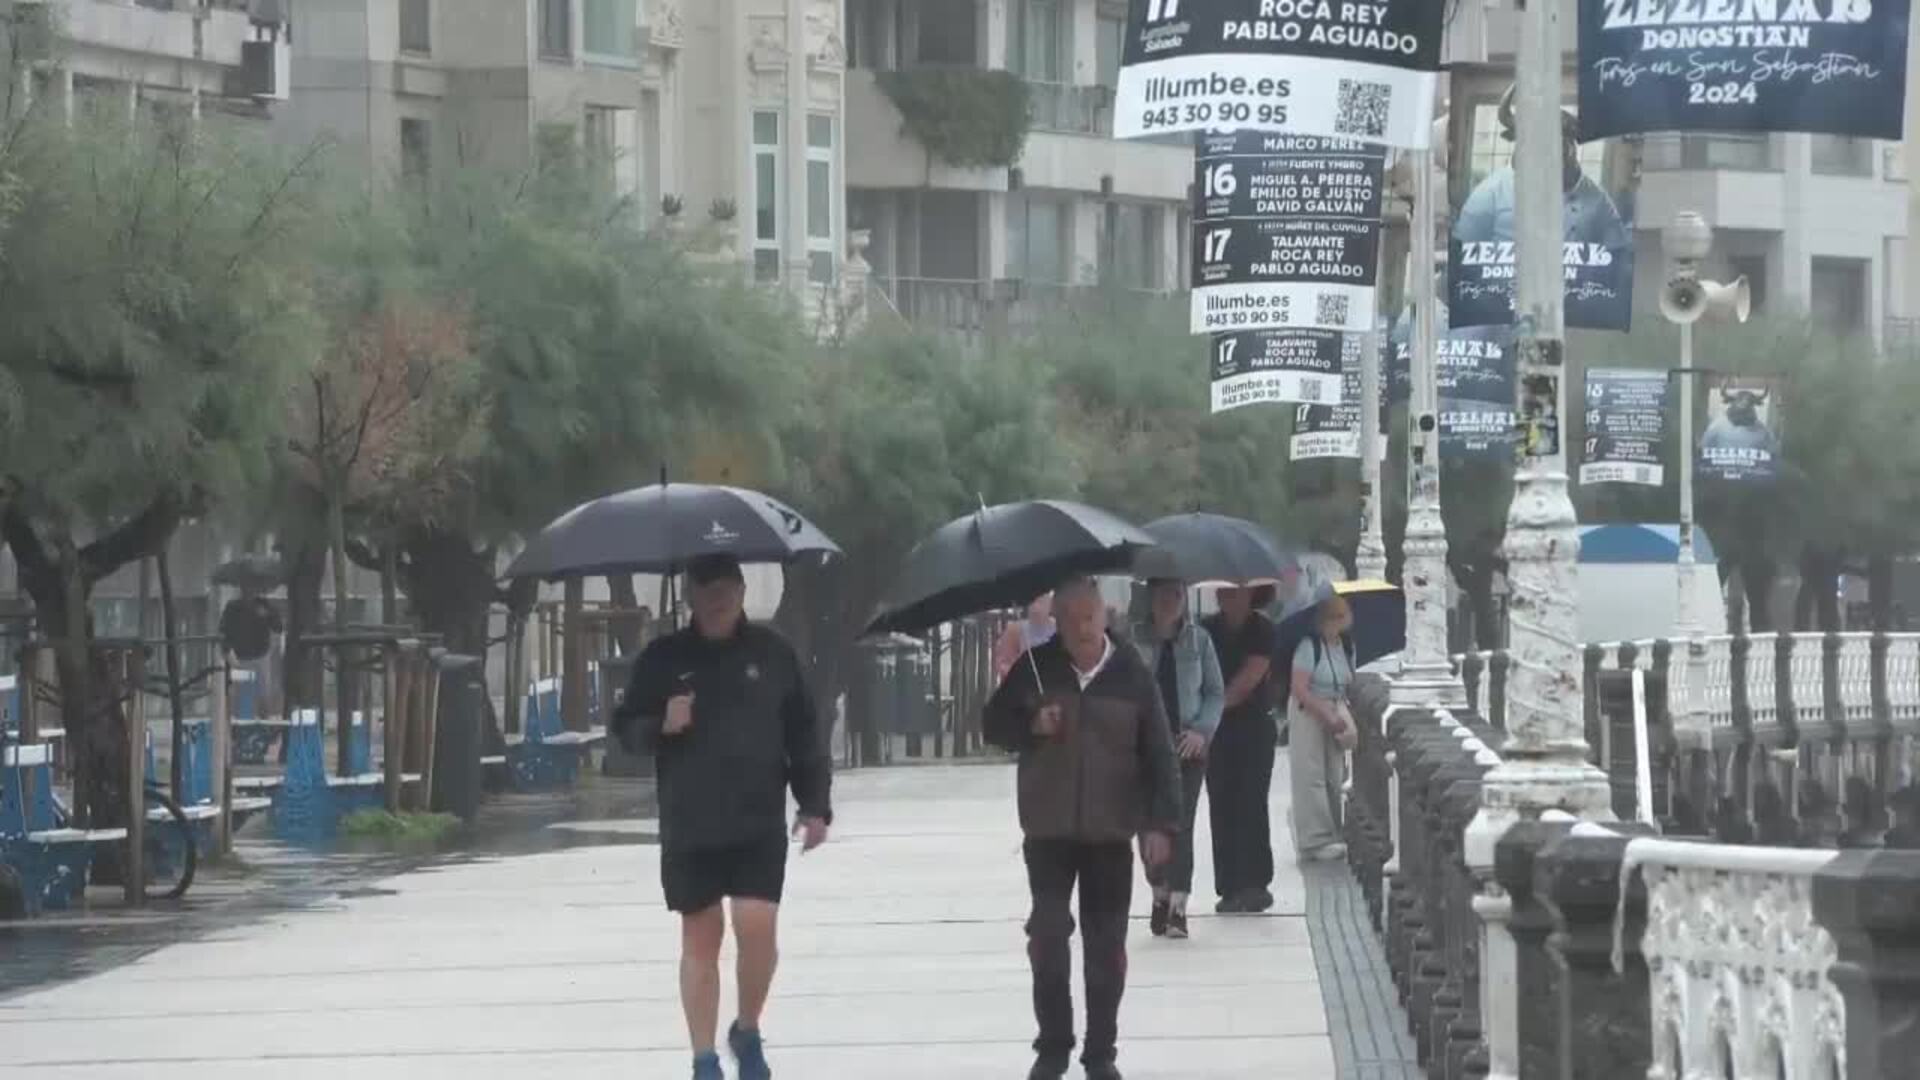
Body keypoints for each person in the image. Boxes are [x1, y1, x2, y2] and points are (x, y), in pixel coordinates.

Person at [614, 553, 833, 1080]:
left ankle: (747, 1028)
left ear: (741, 591)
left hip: (757, 819)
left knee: (757, 926)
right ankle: (704, 1059)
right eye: (707, 589)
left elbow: (804, 733)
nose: (718, 599)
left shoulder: (773, 654)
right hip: (690, 821)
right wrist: (661, 724)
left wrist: (814, 804)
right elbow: (624, 730)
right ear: (690, 594)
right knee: (701, 936)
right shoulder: (663, 659)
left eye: (727, 588)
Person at [984, 578, 1182, 1080]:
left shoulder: (1131, 673)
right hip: (1048, 830)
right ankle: (1053, 1047)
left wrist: (1160, 824)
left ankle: (1100, 1054)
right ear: (1057, 622)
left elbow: (1160, 753)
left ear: (1104, 615)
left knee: (1105, 948)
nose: (1082, 628)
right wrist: (1031, 724)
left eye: (1089, 616)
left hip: (1110, 833)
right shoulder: (1038, 667)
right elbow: (992, 726)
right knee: (1048, 936)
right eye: (1070, 620)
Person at [1128, 577, 1224, 940]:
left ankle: (1178, 907)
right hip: (1145, 747)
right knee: (1148, 824)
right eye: (1164, 594)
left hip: (1187, 746)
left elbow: (1215, 692)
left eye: (1177, 594)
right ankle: (1159, 892)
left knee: (1181, 824)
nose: (1170, 601)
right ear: (1151, 597)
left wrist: (1203, 731)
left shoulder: (1200, 641)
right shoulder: (1132, 640)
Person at [1203, 585, 1280, 914]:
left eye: (1234, 591)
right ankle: (1229, 886)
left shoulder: (1262, 630)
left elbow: (1249, 678)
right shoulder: (1205, 630)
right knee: (1221, 802)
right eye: (1222, 591)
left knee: (1251, 801)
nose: (1226, 597)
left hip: (1253, 727)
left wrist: (1211, 706)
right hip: (1216, 732)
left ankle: (1255, 883)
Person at [1288, 596, 1359, 863]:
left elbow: (1351, 680)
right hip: (1308, 709)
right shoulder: (1309, 646)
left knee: (1334, 774)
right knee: (1311, 775)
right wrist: (1325, 713)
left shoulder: (1346, 645)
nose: (1336, 623)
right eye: (1332, 618)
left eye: (1341, 617)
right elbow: (1299, 688)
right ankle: (1314, 840)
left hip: (1334, 706)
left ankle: (1333, 833)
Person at [994, 595, 1056, 685]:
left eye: (1040, 603)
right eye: (1032, 602)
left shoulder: (1060, 628)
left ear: (1050, 605)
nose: (1036, 608)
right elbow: (1003, 662)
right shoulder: (1015, 630)